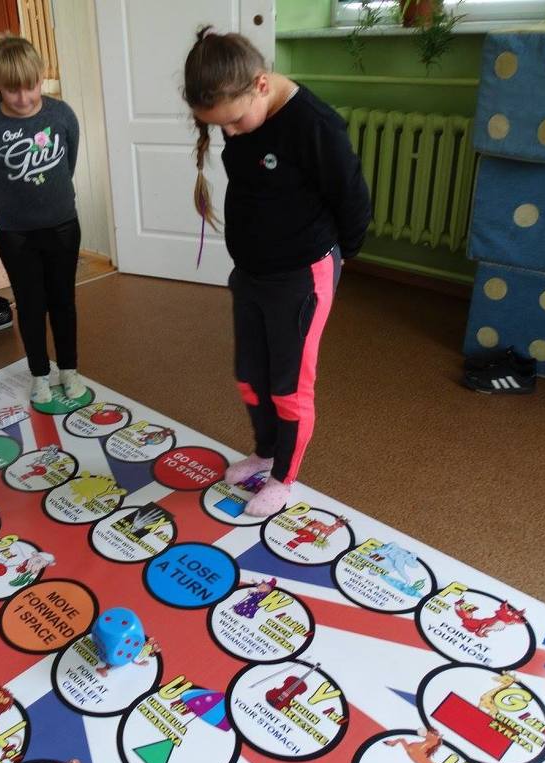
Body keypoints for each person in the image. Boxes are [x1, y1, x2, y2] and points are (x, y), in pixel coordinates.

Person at [183, 28, 371, 517]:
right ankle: (265, 453)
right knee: (251, 376)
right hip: (252, 274)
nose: (231, 133)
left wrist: (344, 255)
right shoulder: (241, 117)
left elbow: (352, 196)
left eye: (235, 121)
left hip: (301, 277)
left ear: (261, 85)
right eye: (221, 126)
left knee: (288, 385)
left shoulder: (314, 125)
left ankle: (284, 478)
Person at [0, 35, 85, 404]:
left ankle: (69, 369)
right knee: (31, 305)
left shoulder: (61, 115)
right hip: (15, 234)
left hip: (63, 226)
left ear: (41, 78)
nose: (23, 98)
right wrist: (13, 204)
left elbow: (68, 164)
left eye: (30, 87)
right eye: (12, 90)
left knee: (63, 301)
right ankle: (39, 374)